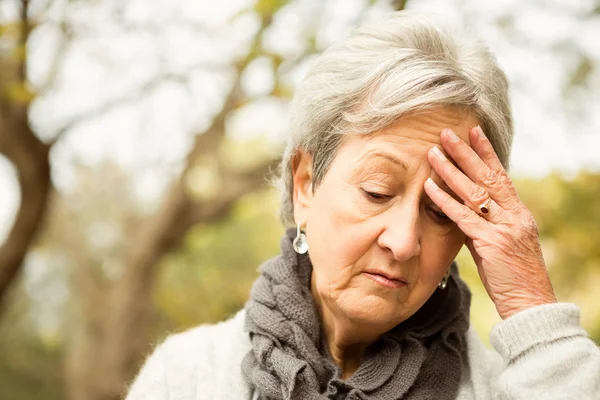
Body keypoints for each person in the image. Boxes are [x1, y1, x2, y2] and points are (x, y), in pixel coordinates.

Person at [125, 10, 600, 400]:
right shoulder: (186, 378)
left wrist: (530, 306)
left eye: (441, 209)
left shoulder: (513, 389)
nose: (403, 242)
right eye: (377, 192)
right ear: (306, 186)